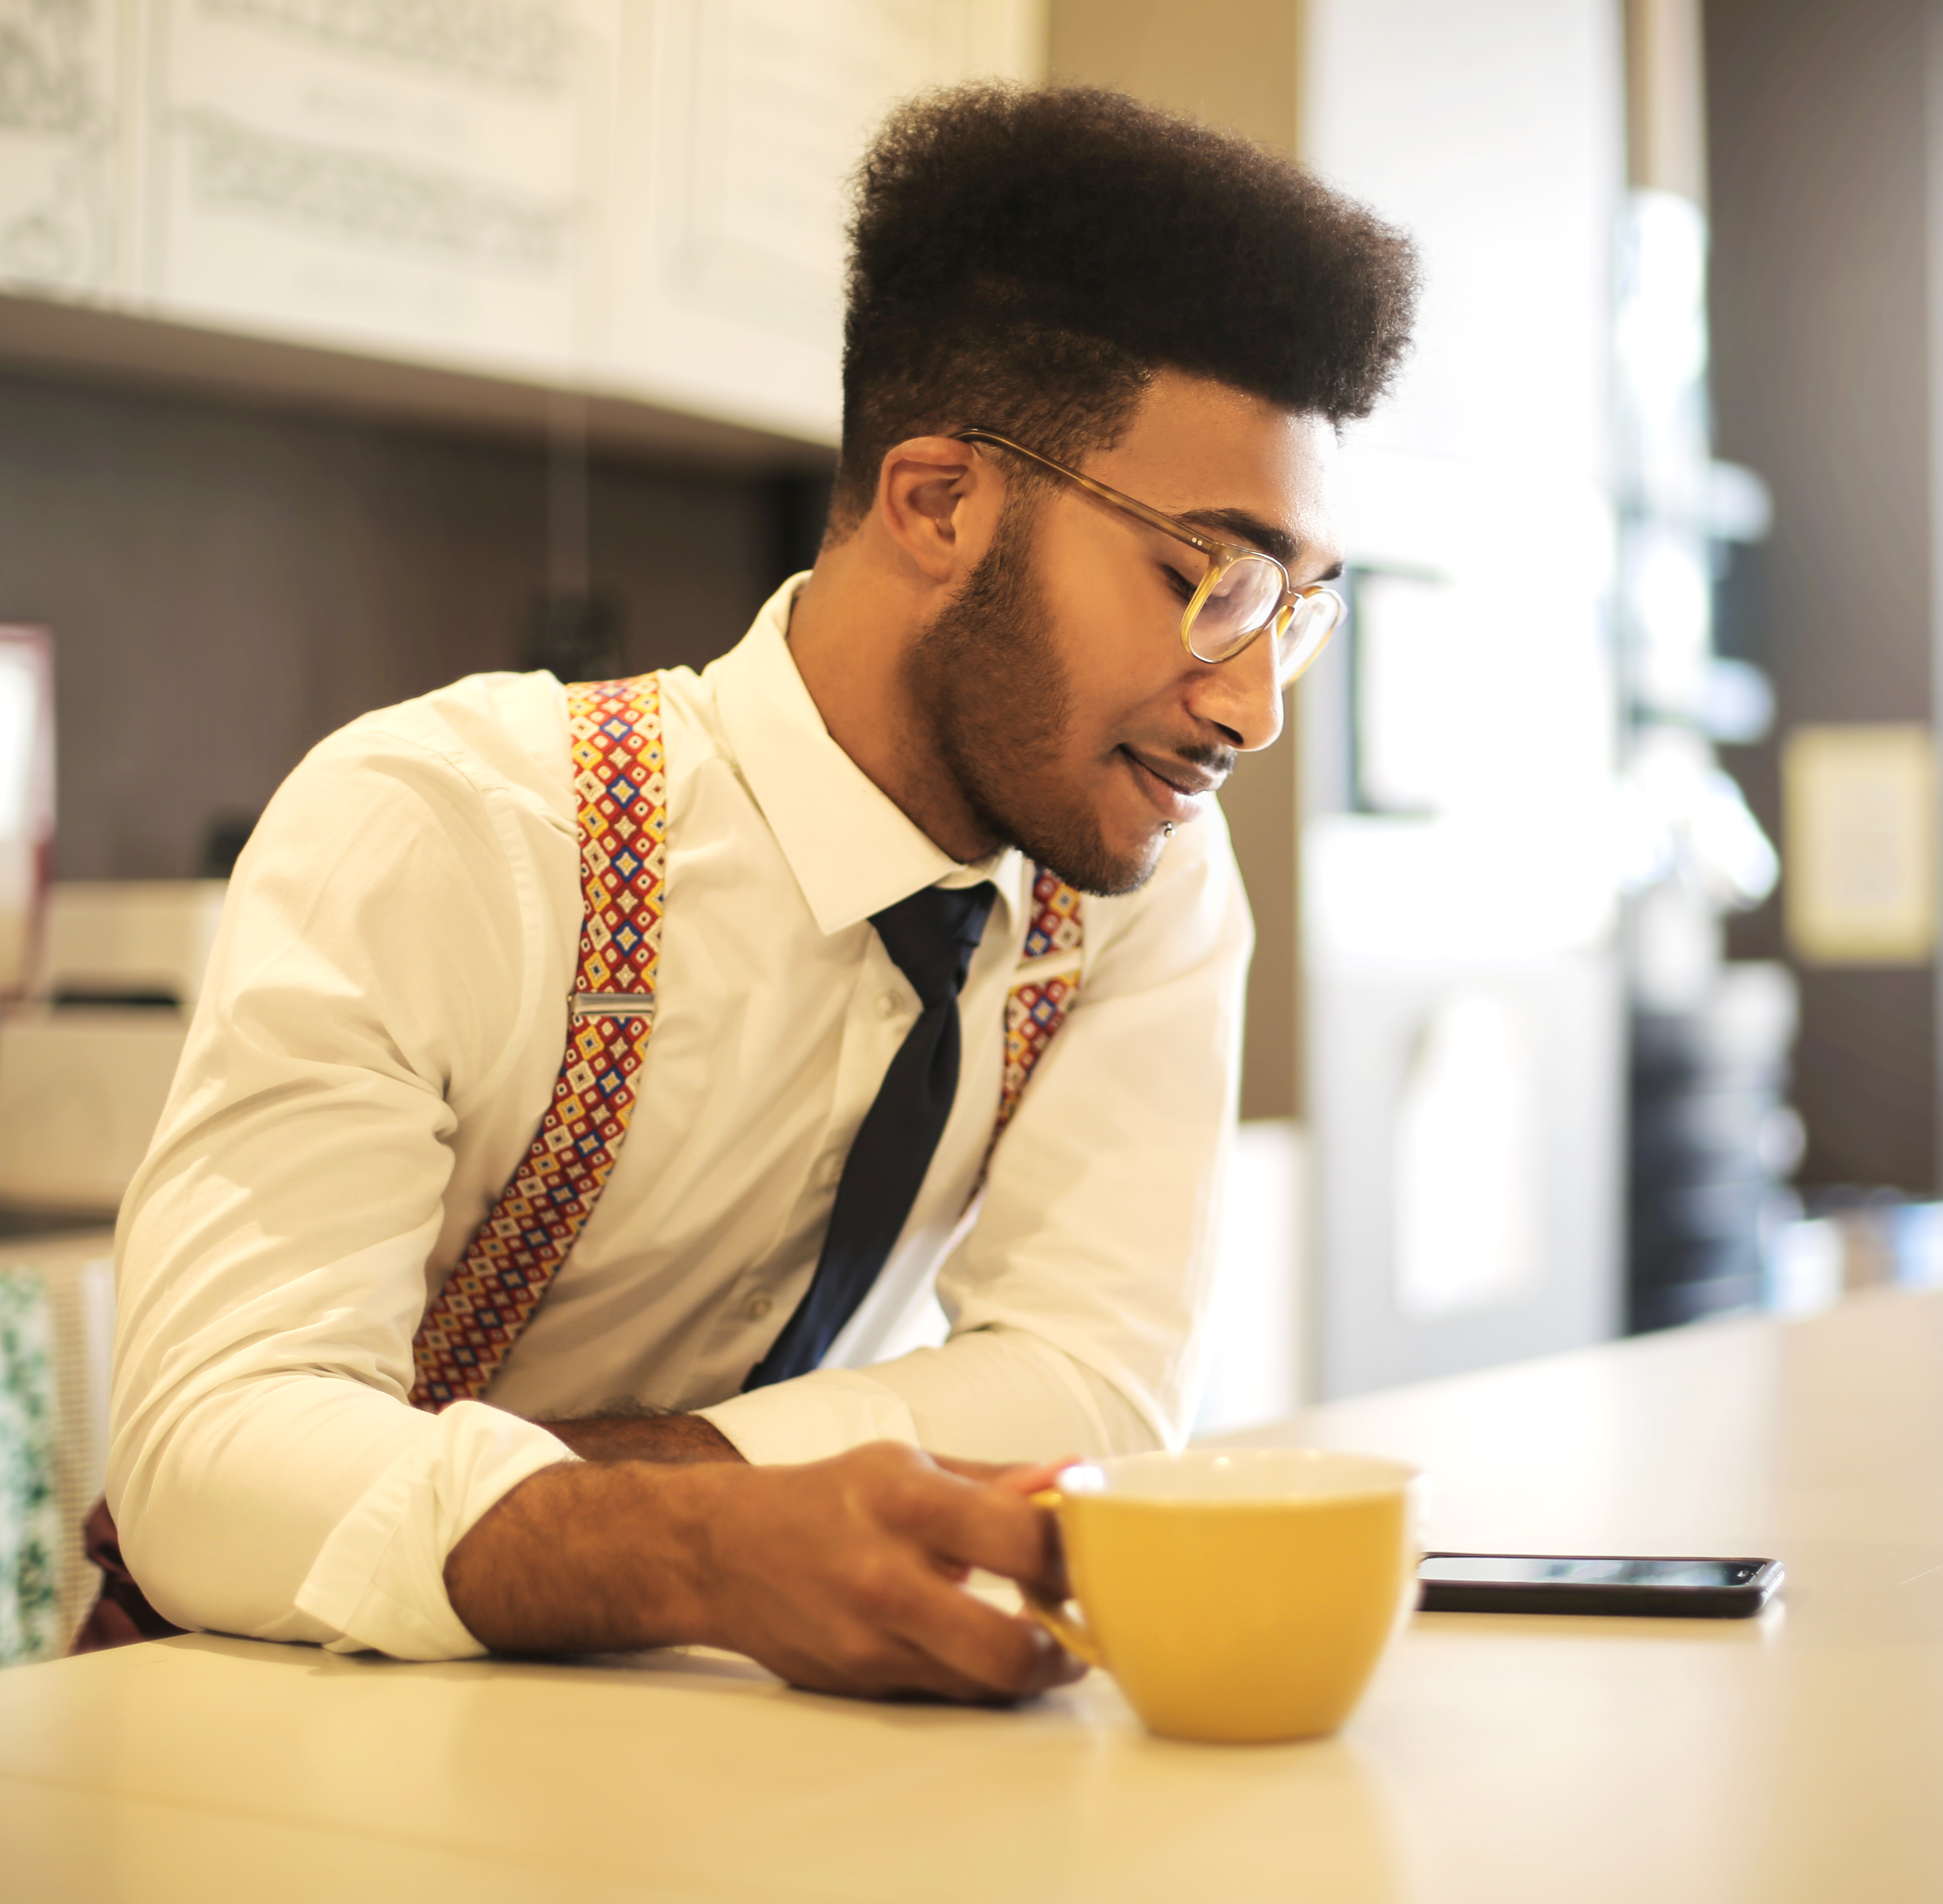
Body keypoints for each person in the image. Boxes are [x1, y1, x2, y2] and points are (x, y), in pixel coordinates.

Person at [101, 83, 1418, 1703]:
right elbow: (207, 1456)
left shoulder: (1139, 882)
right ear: (942, 503)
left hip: (722, 1750)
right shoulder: (455, 830)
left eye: (1298, 609)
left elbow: (1093, 1389)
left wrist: (617, 1503)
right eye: (1207, 581)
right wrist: (709, 1545)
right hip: (278, 1744)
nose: (1252, 704)